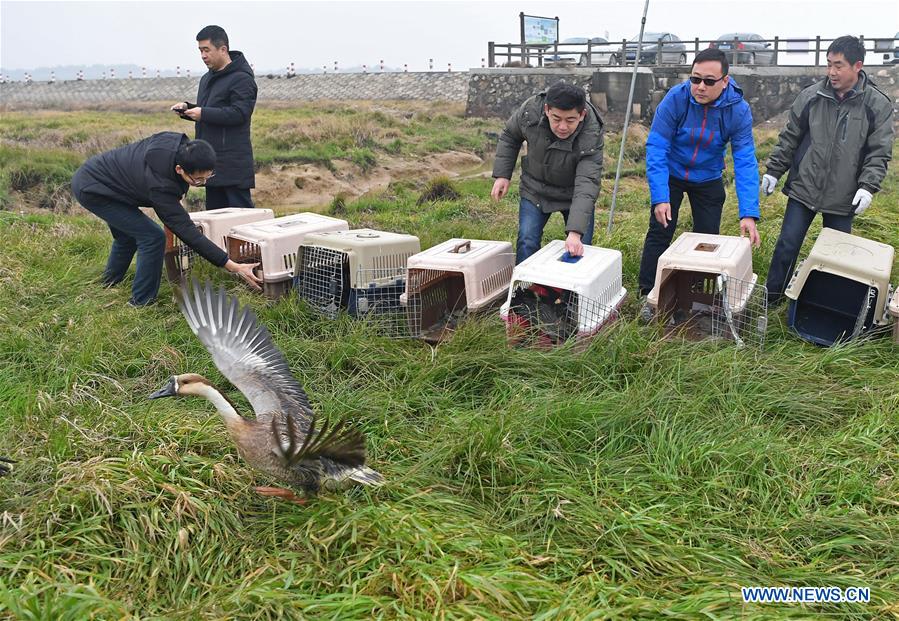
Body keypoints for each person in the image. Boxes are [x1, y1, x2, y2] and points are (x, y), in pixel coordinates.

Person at [762, 35, 894, 306]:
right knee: (787, 245)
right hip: (804, 187)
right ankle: (771, 299)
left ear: (857, 66)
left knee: (836, 258)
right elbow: (790, 137)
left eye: (838, 65)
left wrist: (867, 187)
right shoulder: (811, 96)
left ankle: (823, 308)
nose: (831, 72)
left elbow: (879, 151)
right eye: (828, 64)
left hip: (844, 194)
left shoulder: (876, 104)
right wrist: (774, 170)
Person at [637, 47, 761, 320]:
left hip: (708, 177)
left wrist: (749, 213)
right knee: (660, 230)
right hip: (672, 173)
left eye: (708, 81)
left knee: (707, 240)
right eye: (695, 79)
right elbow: (657, 146)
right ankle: (648, 294)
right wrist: (660, 196)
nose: (700, 87)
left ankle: (692, 298)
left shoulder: (738, 110)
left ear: (725, 81)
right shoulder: (676, 99)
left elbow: (745, 160)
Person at [71, 132, 262, 306]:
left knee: (127, 236)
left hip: (107, 181)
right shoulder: (161, 185)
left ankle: (109, 282)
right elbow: (186, 230)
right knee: (152, 237)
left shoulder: (177, 144)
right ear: (179, 169)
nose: (202, 184)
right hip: (94, 190)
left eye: (207, 177)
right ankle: (141, 302)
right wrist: (231, 265)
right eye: (197, 180)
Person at [491, 81, 604, 264]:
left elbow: (587, 181)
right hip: (535, 188)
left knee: (579, 248)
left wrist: (575, 233)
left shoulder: (591, 132)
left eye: (570, 120)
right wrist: (503, 175)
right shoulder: (530, 112)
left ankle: (570, 292)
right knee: (527, 240)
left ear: (582, 115)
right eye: (556, 119)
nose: (562, 127)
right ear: (546, 110)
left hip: (574, 193)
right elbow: (510, 136)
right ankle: (525, 290)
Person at [171, 25, 258, 210]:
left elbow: (239, 114)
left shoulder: (242, 79)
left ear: (223, 49)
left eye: (206, 50)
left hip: (233, 166)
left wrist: (202, 113)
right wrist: (189, 109)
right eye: (200, 51)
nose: (203, 55)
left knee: (242, 223)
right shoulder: (206, 78)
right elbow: (212, 111)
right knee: (216, 223)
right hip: (210, 165)